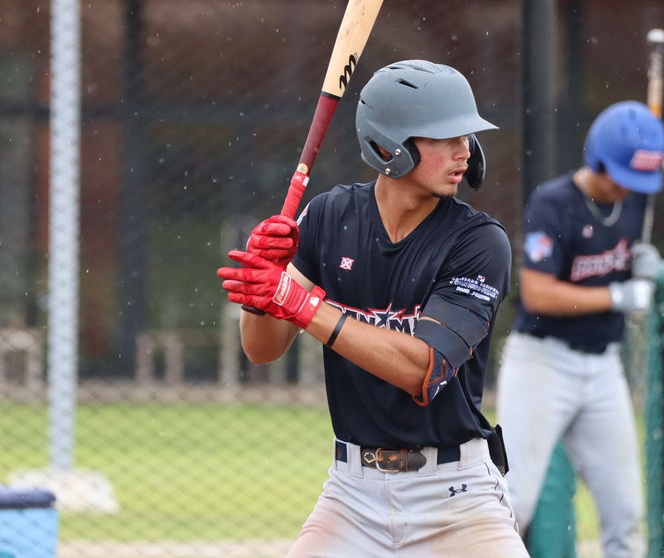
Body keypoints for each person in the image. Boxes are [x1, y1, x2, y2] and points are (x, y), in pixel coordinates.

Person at [218, 60, 529, 558]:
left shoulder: (478, 242)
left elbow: (423, 370)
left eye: (466, 136)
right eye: (444, 137)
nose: (463, 151)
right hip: (352, 494)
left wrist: (301, 304)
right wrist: (264, 288)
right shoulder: (329, 216)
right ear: (390, 147)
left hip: (456, 497)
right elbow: (262, 350)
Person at [496, 101, 664, 558]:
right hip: (542, 362)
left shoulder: (635, 200)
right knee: (513, 502)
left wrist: (640, 271)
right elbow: (537, 293)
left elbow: (624, 256)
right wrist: (618, 296)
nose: (627, 189)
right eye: (621, 177)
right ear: (598, 160)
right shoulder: (555, 203)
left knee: (626, 511)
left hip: (603, 366)